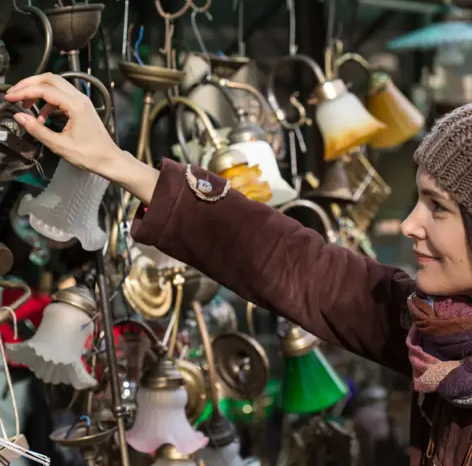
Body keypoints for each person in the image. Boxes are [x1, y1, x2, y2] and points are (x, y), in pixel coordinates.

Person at [5, 73, 472, 466]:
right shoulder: (433, 330)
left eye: (438, 207)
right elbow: (293, 264)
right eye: (418, 200)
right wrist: (117, 163)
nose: (411, 224)